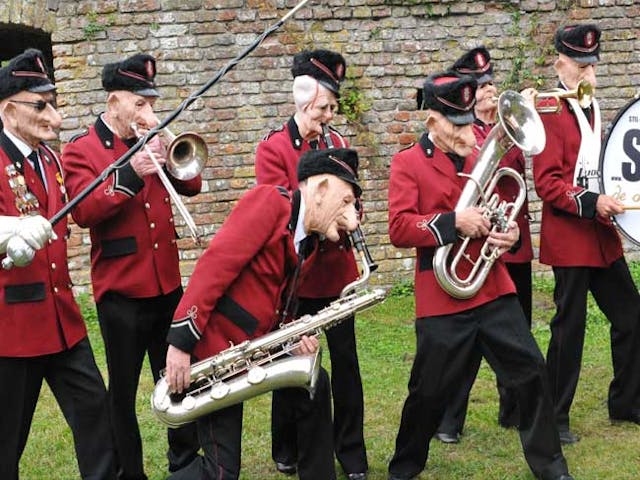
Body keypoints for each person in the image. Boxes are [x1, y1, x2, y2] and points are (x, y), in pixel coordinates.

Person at [386, 70, 573, 480]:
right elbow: (399, 227)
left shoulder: (476, 157)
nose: (467, 131)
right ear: (432, 121)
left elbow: (500, 211)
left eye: (468, 120)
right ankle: (404, 467)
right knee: (427, 392)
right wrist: (454, 222)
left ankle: (551, 466)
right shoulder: (407, 163)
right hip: (440, 294)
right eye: (456, 124)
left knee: (530, 371)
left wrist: (508, 233)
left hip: (490, 289)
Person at [163, 147, 362, 480]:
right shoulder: (270, 202)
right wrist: (181, 344)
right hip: (215, 354)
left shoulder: (309, 242)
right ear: (321, 189)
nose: (348, 215)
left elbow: (278, 303)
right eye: (345, 202)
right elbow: (215, 265)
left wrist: (294, 336)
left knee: (314, 380)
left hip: (254, 351)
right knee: (221, 473)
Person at [62, 53, 201, 480]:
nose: (148, 112)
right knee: (122, 394)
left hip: (166, 286)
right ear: (116, 100)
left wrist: (167, 154)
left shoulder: (153, 137)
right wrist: (131, 174)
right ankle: (130, 472)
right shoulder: (81, 149)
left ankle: (184, 464)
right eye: (140, 104)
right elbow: (82, 211)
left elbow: (192, 183)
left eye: (150, 102)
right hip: (121, 293)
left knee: (179, 380)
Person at [0, 48, 116, 480]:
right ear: (10, 110)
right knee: (6, 439)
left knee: (95, 414)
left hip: (61, 320)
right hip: (10, 329)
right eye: (40, 104)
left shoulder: (49, 159)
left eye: (53, 102)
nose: (54, 115)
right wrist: (11, 228)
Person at [255, 49, 368, 480]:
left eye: (332, 108)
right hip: (298, 276)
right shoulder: (273, 148)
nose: (329, 115)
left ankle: (351, 452)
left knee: (347, 364)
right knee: (292, 365)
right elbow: (277, 213)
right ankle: (289, 446)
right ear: (303, 99)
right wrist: (323, 221)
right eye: (324, 107)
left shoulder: (338, 144)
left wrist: (355, 213)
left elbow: (353, 196)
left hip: (337, 275)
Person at [532, 23, 640, 445]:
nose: (588, 74)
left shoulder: (590, 104)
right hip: (570, 235)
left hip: (600, 235)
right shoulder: (548, 109)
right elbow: (547, 183)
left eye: (592, 65)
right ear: (560, 61)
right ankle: (555, 417)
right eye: (580, 65)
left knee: (631, 317)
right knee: (568, 328)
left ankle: (627, 402)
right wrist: (593, 202)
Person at [435, 46, 536, 443]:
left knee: (519, 332)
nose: (490, 90)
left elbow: (519, 172)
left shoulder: (507, 125)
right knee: (469, 342)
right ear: (467, 93)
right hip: (477, 247)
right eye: (481, 86)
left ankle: (513, 410)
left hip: (511, 243)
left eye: (492, 82)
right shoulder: (465, 133)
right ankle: (449, 419)